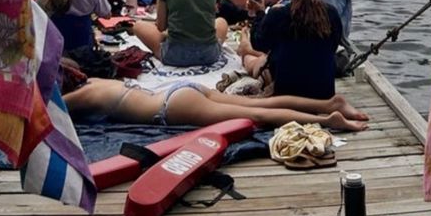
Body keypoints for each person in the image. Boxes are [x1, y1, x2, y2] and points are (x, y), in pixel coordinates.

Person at [63, 77, 369, 133]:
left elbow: (55, 109)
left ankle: (328, 119)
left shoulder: (85, 96)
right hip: (179, 90)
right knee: (263, 101)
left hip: (171, 107)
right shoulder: (95, 81)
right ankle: (328, 102)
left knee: (258, 113)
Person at [243, 0, 343, 99]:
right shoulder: (331, 13)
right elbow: (334, 45)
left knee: (250, 59)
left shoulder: (279, 14)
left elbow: (258, 43)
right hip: (324, 92)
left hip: (286, 92)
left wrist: (259, 15)